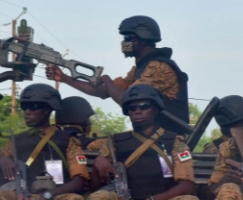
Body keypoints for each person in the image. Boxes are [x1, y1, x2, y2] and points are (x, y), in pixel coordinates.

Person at [46, 16, 190, 134]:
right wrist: (64, 78)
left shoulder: (158, 67)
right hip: (153, 134)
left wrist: (106, 79)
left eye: (128, 38)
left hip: (168, 137)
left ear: (142, 39)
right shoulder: (141, 68)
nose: (124, 43)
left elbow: (126, 100)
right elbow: (103, 92)